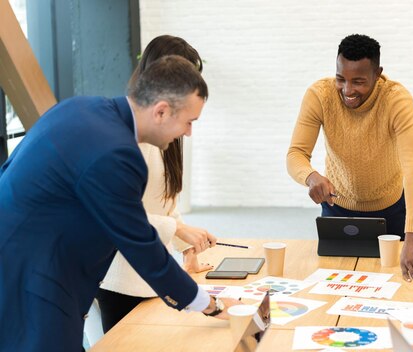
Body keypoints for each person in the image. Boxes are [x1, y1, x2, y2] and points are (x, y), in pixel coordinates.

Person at [0, 56, 238, 351]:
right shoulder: (118, 154)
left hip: (23, 254)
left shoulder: (81, 108)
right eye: (189, 122)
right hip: (36, 274)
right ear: (161, 111)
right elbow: (142, 246)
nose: (188, 133)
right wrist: (208, 304)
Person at [95, 35, 218, 334]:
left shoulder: (167, 133)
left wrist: (183, 242)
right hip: (119, 276)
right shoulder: (127, 140)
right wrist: (176, 231)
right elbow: (121, 216)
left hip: (146, 272)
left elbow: (164, 204)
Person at [286, 34, 413, 283]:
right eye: (341, 79)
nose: (348, 90)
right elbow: (296, 153)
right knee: (334, 284)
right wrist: (310, 177)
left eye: (359, 81)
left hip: (391, 210)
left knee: (394, 285)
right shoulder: (319, 95)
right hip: (337, 210)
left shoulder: (397, 100)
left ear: (378, 73)